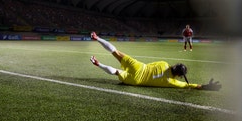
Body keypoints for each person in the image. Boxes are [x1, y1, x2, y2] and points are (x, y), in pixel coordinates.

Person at [89, 32, 221, 90]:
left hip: (139, 67)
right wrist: (203, 86)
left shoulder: (164, 63)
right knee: (117, 72)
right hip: (137, 81)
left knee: (116, 52)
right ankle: (98, 64)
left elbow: (149, 66)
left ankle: (97, 38)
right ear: (179, 76)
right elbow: (188, 85)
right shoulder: (172, 82)